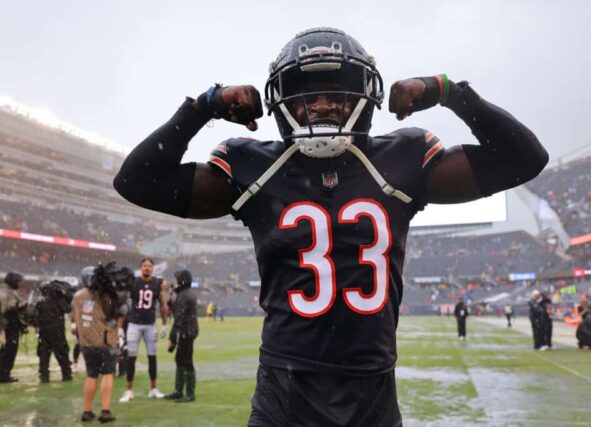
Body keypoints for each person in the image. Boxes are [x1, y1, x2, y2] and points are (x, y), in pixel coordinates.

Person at [113, 27, 548, 425]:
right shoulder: (254, 165)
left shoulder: (402, 157)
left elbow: (524, 158)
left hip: (373, 389)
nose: (321, 105)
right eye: (306, 94)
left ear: (364, 96)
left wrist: (447, 91)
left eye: (336, 93)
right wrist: (204, 105)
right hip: (285, 390)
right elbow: (135, 181)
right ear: (284, 101)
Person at [71, 266, 120, 423]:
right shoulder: (105, 295)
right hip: (105, 341)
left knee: (91, 375)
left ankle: (87, 411)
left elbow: (76, 317)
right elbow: (114, 314)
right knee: (107, 374)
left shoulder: (78, 296)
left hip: (86, 342)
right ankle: (105, 411)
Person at [119, 258, 168, 402]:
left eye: (150, 266)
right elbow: (123, 303)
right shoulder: (133, 282)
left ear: (153, 268)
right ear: (140, 268)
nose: (147, 268)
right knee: (131, 357)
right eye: (145, 266)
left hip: (150, 325)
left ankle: (153, 388)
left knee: (152, 357)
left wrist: (164, 324)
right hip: (134, 324)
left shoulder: (158, 284)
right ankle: (128, 390)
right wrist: (120, 327)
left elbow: (163, 305)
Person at [164, 270, 199, 403]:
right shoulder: (186, 293)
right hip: (189, 331)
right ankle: (179, 391)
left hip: (186, 332)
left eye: (178, 280)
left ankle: (189, 393)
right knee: (180, 359)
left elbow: (178, 318)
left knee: (186, 361)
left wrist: (172, 339)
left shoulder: (184, 295)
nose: (176, 282)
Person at [34, 280, 74, 383]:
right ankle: (66, 374)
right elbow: (68, 309)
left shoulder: (40, 302)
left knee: (44, 356)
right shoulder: (59, 301)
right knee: (61, 354)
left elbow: (34, 318)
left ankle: (44, 376)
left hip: (44, 332)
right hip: (57, 332)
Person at [0, 272, 26, 383]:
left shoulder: (5, 290)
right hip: (8, 326)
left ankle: (3, 373)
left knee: (4, 350)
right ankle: (4, 374)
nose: (19, 284)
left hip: (7, 325)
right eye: (18, 282)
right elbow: (6, 310)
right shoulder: (7, 293)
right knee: (9, 351)